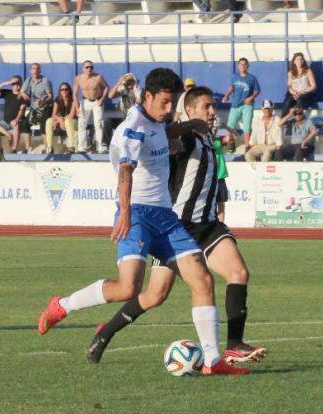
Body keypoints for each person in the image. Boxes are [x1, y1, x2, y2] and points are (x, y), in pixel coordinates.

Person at [37, 68, 249, 376]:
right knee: (128, 288)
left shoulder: (157, 122)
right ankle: (63, 305)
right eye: (164, 103)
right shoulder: (133, 128)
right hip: (136, 213)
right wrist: (124, 213)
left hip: (166, 217)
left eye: (172, 103)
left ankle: (213, 362)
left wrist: (190, 124)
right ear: (146, 96)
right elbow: (125, 170)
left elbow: (166, 133)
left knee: (202, 281)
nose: (168, 109)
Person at [85, 86, 267, 366]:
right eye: (205, 107)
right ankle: (105, 332)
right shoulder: (186, 139)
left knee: (239, 272)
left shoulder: (210, 140)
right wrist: (182, 126)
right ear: (189, 111)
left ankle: (233, 345)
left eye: (213, 107)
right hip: (176, 228)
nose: (211, 112)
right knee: (155, 295)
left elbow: (214, 177)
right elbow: (160, 139)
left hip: (207, 227)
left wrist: (220, 201)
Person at [222, 58, 260, 152]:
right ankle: (231, 143)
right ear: (238, 65)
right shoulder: (235, 77)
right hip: (235, 105)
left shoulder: (252, 78)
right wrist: (226, 95)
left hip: (247, 105)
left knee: (246, 126)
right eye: (241, 64)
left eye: (245, 64)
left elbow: (257, 91)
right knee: (231, 126)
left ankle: (247, 146)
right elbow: (232, 87)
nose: (243, 66)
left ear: (248, 66)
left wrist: (251, 98)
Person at [74, 60, 109, 153]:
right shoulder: (78, 78)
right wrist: (77, 108)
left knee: (99, 124)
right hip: (85, 101)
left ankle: (99, 146)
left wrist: (102, 99)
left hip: (97, 101)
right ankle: (81, 147)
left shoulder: (98, 77)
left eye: (91, 67)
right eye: (87, 67)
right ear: (83, 69)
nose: (89, 69)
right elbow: (75, 94)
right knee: (81, 124)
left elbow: (106, 87)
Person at [0, 76, 30, 153]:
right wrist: (6, 83)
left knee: (16, 125)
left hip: (18, 120)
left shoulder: (23, 95)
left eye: (18, 83)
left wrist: (16, 119)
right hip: (6, 120)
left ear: (21, 83)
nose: (16, 85)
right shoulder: (7, 92)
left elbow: (22, 109)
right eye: (13, 83)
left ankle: (14, 149)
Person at [20, 63, 53, 154]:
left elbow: (50, 95)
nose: (35, 70)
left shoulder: (45, 81)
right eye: (33, 68)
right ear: (31, 71)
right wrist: (24, 94)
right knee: (25, 124)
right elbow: (22, 91)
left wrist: (42, 101)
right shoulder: (29, 80)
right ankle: (28, 148)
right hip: (34, 109)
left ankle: (46, 147)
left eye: (37, 68)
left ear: (40, 70)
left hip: (46, 107)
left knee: (43, 125)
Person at [45, 82, 77, 154]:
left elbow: (72, 115)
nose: (64, 91)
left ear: (69, 90)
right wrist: (59, 120)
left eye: (66, 89)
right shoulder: (57, 99)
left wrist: (59, 121)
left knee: (68, 121)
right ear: (60, 91)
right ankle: (50, 147)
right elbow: (54, 114)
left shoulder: (73, 99)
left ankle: (72, 147)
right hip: (63, 121)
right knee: (49, 121)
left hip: (74, 122)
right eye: (62, 90)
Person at [281, 52, 316, 117]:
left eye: (301, 59)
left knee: (299, 100)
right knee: (287, 102)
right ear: (294, 61)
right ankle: (282, 122)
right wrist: (294, 93)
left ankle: (299, 121)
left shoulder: (308, 71)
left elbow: (313, 86)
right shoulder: (291, 72)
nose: (300, 61)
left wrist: (301, 92)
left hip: (306, 93)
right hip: (295, 94)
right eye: (297, 59)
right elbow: (289, 86)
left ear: (303, 61)